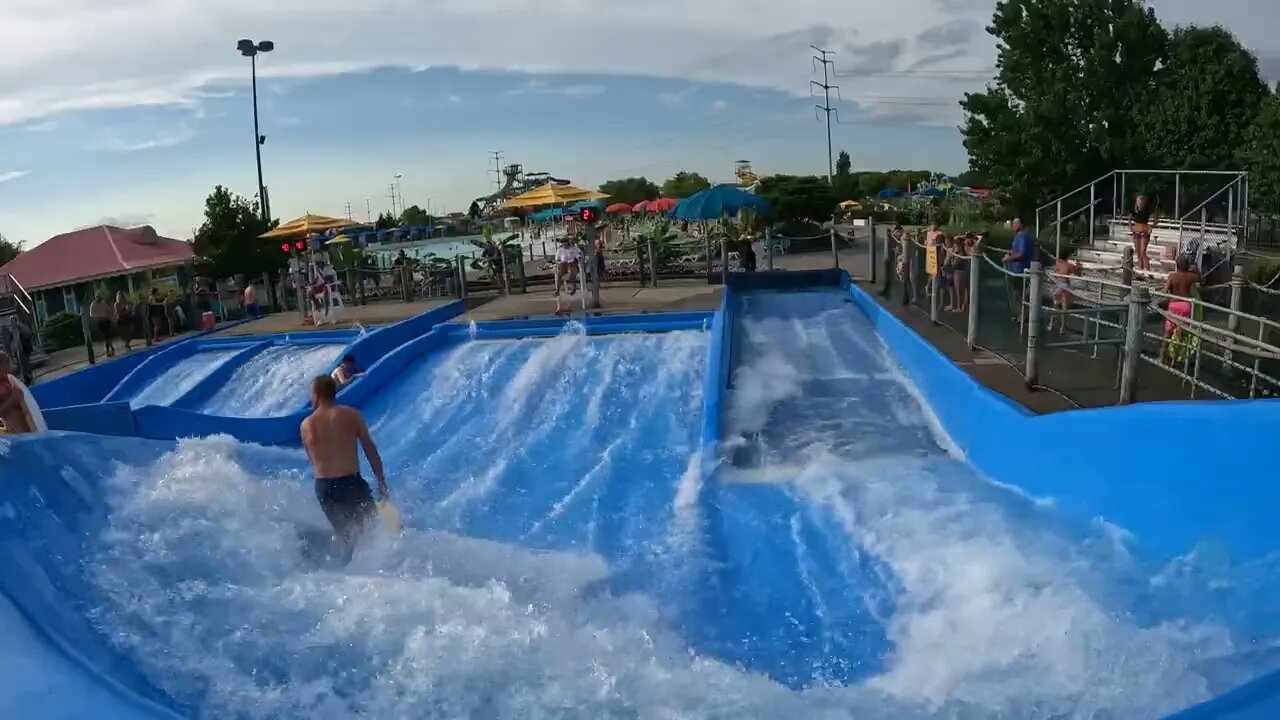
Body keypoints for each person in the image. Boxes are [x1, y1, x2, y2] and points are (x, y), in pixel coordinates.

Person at [300, 375, 389, 565]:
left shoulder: (306, 425)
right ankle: (376, 569)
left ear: (316, 394)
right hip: (351, 483)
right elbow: (370, 450)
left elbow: (312, 459)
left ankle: (346, 571)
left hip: (324, 488)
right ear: (335, 392)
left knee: (346, 535)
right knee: (371, 528)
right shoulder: (351, 415)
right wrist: (381, 481)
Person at [1003, 218, 1037, 323]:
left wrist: (1009, 258)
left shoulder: (1023, 237)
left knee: (1020, 293)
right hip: (1015, 269)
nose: (1013, 226)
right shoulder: (1017, 237)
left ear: (1021, 225)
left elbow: (1021, 253)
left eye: (1015, 224)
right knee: (1016, 293)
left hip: (1022, 269)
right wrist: (1009, 254)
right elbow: (1015, 251)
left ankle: (1023, 316)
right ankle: (1019, 314)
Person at [0, 352, 33, 434]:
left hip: (25, 424)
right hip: (13, 428)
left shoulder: (8, 380)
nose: (8, 368)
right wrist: (12, 399)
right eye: (6, 365)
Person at [1048, 248, 1078, 334]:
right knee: (1064, 309)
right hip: (1064, 286)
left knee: (1055, 306)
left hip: (1060, 285)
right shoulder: (1068, 265)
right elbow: (1076, 272)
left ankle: (1052, 324)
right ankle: (1062, 328)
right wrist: (1077, 267)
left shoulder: (1058, 263)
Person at [1132, 193, 1154, 272]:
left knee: (1143, 253)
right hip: (1136, 231)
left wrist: (1151, 227)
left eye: (1140, 200)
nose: (1139, 202)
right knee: (1138, 253)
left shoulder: (1146, 210)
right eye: (1138, 200)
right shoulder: (1135, 210)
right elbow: (1130, 218)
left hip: (1144, 231)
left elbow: (1156, 219)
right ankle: (1141, 270)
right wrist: (1131, 227)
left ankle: (1148, 270)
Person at [89, 293, 117, 358]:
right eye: (98, 297)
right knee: (106, 335)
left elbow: (110, 311)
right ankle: (109, 348)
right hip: (100, 321)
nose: (99, 298)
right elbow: (92, 315)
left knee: (108, 335)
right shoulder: (93, 305)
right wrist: (99, 317)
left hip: (106, 320)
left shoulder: (103, 303)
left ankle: (110, 348)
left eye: (100, 297)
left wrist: (110, 307)